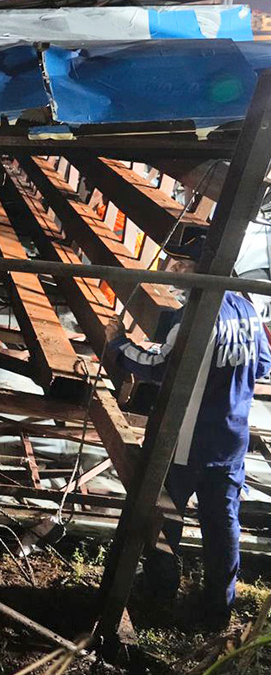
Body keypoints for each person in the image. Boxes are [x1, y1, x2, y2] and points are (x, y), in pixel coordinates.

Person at [107, 242, 271, 629]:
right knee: (222, 522)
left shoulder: (194, 319)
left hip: (186, 442)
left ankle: (161, 589)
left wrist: (117, 343)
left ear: (198, 268)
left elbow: (158, 367)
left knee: (164, 512)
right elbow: (262, 363)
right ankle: (218, 607)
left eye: (179, 266)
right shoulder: (247, 310)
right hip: (230, 440)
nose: (173, 273)